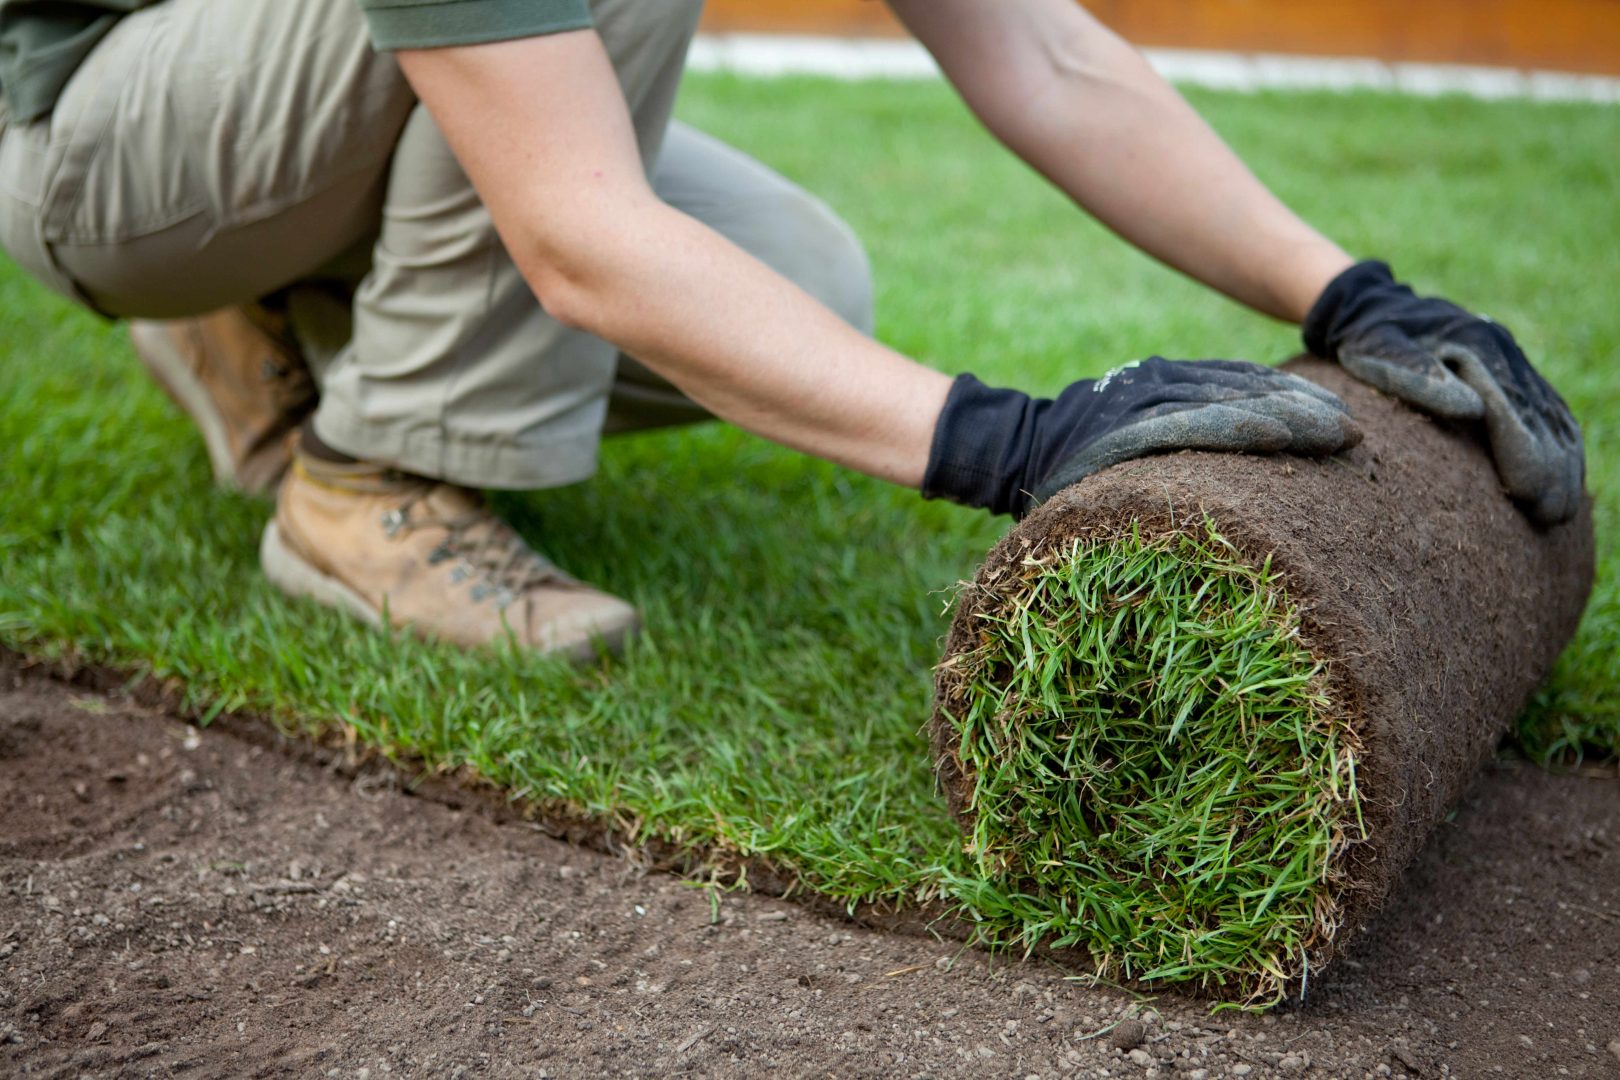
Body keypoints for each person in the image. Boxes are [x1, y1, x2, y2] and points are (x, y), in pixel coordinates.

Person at [0, 0, 1583, 660]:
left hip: (302, 90)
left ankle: (262, 305)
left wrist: (1349, 295)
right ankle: (369, 482)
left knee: (800, 291)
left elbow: (1039, 50)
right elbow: (579, 240)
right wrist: (1011, 441)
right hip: (100, 139)